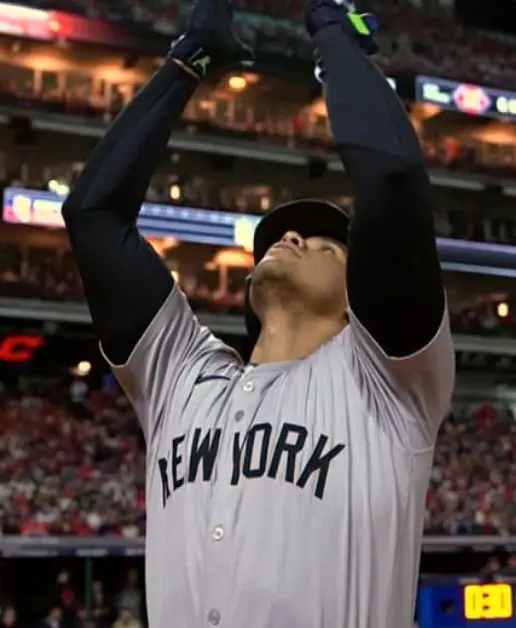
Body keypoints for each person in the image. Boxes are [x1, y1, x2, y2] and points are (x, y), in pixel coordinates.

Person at [61, 0, 452, 624]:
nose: (290, 238)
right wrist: (187, 61)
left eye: (323, 243)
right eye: (281, 236)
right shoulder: (181, 375)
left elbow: (395, 178)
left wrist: (334, 37)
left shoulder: (386, 382)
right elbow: (93, 217)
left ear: (361, 301)